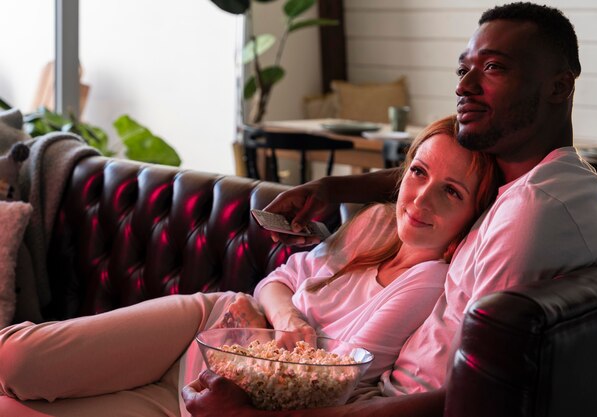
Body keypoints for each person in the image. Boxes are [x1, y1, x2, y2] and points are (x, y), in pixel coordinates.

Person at [182, 3, 597, 417]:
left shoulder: (529, 212)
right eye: (463, 68)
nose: (463, 86)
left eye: (492, 68)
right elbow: (441, 172)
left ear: (559, 86)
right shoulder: (546, 181)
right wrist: (333, 187)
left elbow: (471, 396)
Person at [0, 116, 498, 417]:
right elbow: (276, 281)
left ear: (473, 216)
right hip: (209, 326)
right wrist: (290, 318)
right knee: (15, 360)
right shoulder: (374, 223)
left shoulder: (428, 280)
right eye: (418, 172)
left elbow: (335, 370)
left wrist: (282, 329)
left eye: (450, 192)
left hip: (230, 394)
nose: (421, 198)